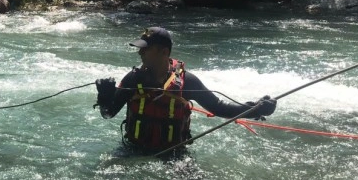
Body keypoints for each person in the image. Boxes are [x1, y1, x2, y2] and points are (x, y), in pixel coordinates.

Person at [95, 27, 276, 155]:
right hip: (133, 151)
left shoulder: (187, 81)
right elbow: (108, 113)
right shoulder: (133, 79)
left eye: (145, 49)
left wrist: (255, 109)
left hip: (174, 155)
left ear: (164, 52)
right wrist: (104, 96)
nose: (140, 54)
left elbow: (219, 108)